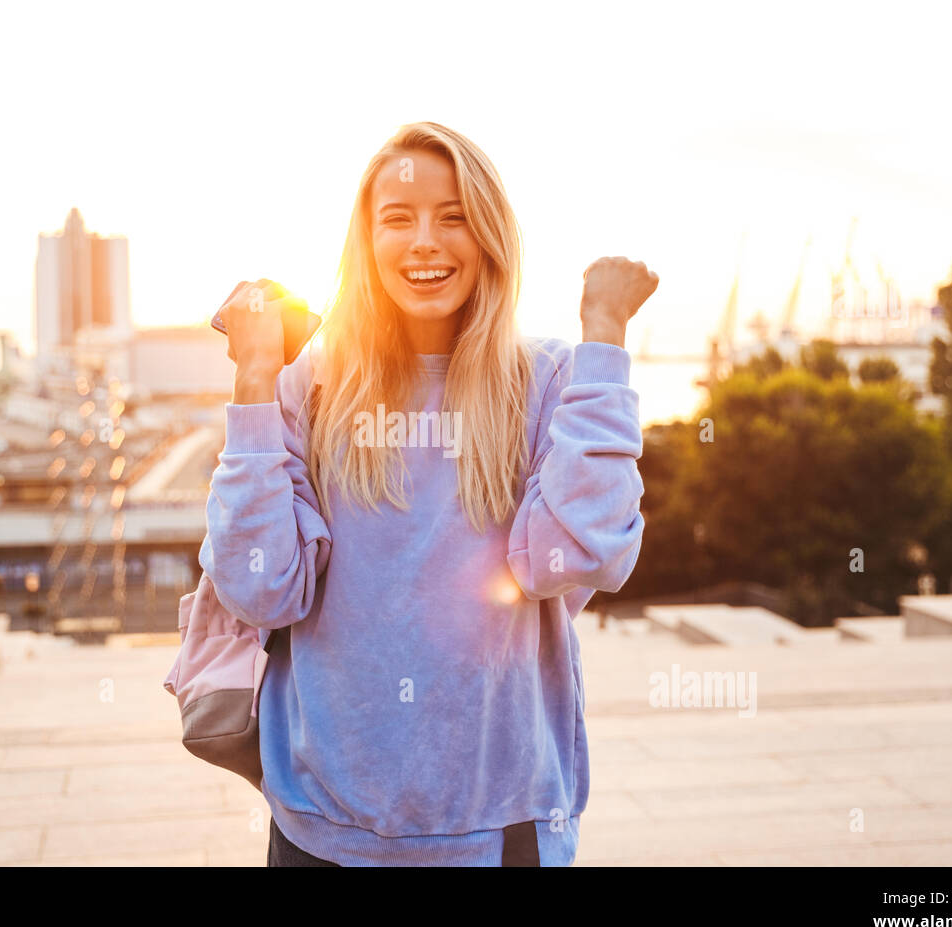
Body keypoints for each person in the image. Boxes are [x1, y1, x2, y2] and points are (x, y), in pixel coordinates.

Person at [204, 120, 657, 867]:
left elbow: (570, 555)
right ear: (365, 241)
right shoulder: (310, 386)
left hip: (502, 826)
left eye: (453, 218)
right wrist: (253, 383)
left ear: (488, 238)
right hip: (324, 829)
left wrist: (603, 336)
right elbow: (262, 590)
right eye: (398, 218)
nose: (424, 241)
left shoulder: (547, 380)